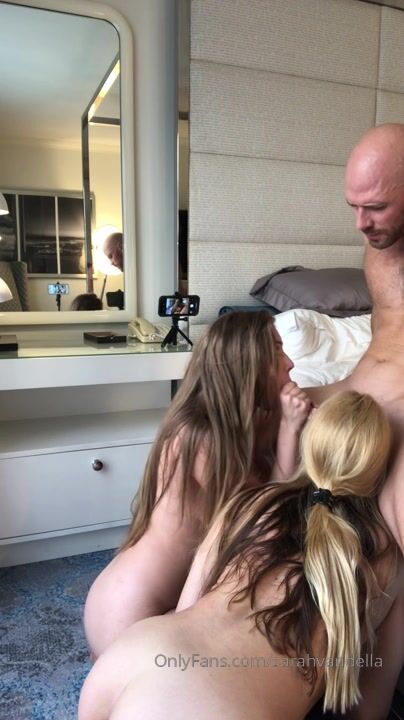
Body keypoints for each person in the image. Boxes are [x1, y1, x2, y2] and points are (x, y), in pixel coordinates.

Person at [78, 391, 403, 720]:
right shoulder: (386, 559)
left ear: (312, 444)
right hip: (227, 704)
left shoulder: (252, 502)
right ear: (378, 473)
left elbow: (189, 602)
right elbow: (369, 707)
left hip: (138, 654)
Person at [83, 310, 312, 658]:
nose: (291, 363)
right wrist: (290, 431)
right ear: (249, 362)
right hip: (132, 613)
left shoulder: (238, 423)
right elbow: (261, 522)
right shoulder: (200, 435)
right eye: (278, 350)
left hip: (155, 603)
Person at [307, 123, 404, 557]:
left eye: (376, 208)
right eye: (354, 206)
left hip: (398, 408)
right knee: (242, 407)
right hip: (358, 388)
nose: (361, 224)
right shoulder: (378, 241)